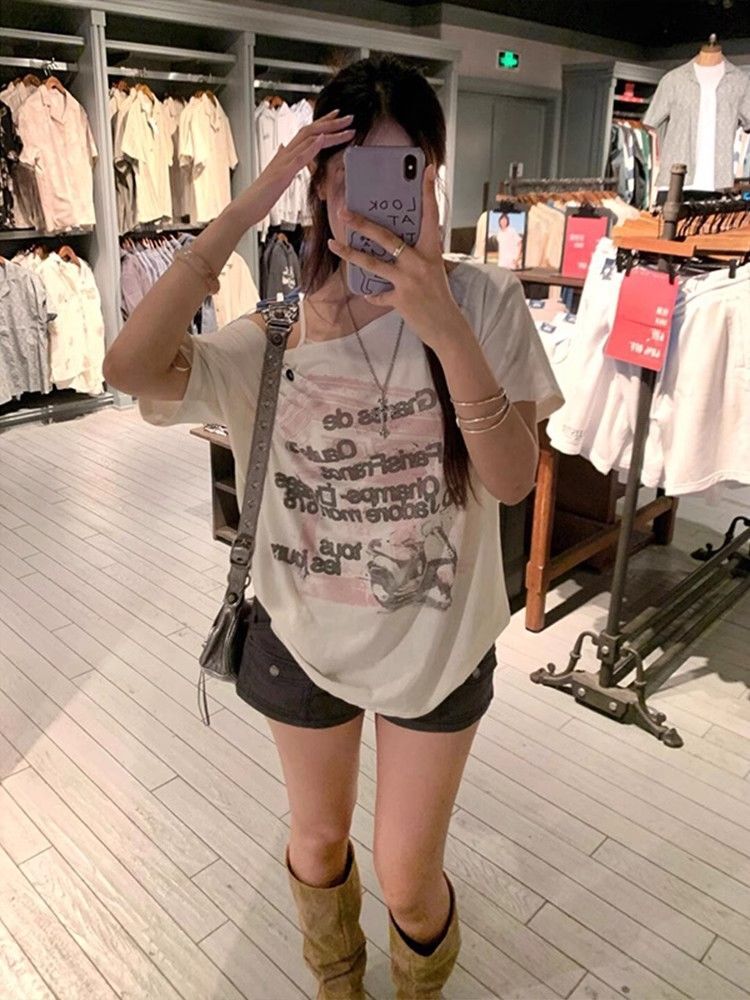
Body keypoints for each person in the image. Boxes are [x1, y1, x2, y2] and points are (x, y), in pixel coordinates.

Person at [104, 55, 562, 1000]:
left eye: (406, 172)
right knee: (317, 842)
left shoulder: (481, 302)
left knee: (408, 875)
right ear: (315, 183)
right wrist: (244, 207)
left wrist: (442, 324)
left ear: (433, 176)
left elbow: (514, 480)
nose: (376, 203)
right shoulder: (276, 329)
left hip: (438, 641)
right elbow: (129, 369)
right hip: (300, 632)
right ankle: (338, 984)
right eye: (350, 175)